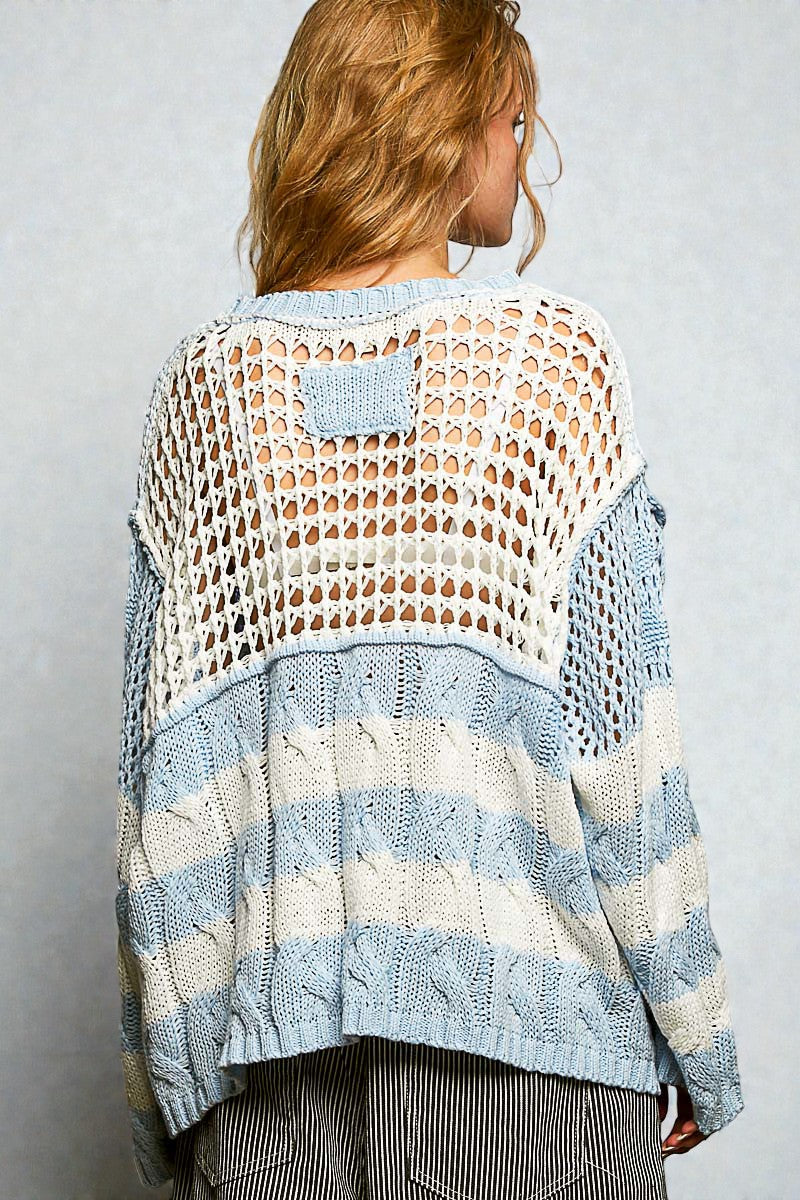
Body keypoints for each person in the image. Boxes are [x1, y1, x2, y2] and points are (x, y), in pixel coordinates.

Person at [114, 1, 744, 1195]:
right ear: (452, 126)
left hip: (270, 1098)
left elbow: (159, 793)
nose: (523, 151)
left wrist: (164, 1104)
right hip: (539, 1086)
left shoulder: (203, 391)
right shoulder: (555, 361)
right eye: (515, 118)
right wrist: (697, 1037)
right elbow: (623, 753)